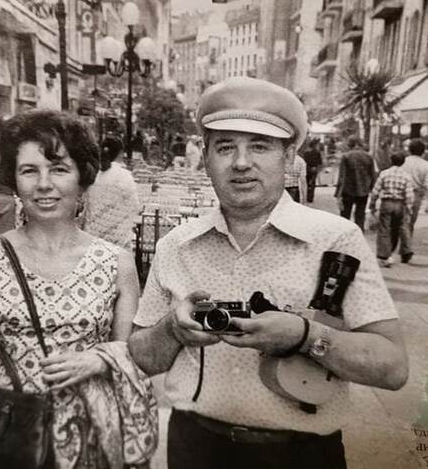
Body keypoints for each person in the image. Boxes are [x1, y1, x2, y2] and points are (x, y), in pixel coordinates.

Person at [127, 77, 408, 469]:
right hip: (195, 448)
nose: (241, 162)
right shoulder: (176, 245)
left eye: (260, 146)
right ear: (205, 157)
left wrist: (305, 336)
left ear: (289, 156)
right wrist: (173, 329)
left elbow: (393, 367)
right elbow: (141, 358)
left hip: (302, 454)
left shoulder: (335, 240)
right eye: (225, 147)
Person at [0, 110, 157, 469]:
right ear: (14, 180)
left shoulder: (116, 262)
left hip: (91, 436)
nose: (44, 184)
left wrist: (99, 358)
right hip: (7, 434)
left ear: (82, 178)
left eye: (59, 169)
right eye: (29, 170)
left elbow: (132, 353)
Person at [82, 135, 141, 250]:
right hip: (117, 240)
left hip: (93, 237)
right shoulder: (125, 176)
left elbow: (86, 204)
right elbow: (135, 206)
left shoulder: (94, 175)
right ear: (120, 153)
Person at [370, 152, 414, 267]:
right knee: (396, 229)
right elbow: (409, 195)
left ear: (391, 161)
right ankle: (391, 252)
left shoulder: (384, 173)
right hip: (399, 205)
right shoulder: (406, 176)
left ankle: (383, 254)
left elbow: (376, 191)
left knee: (384, 229)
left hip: (386, 203)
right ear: (403, 162)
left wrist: (372, 204)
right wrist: (409, 209)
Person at [335, 135, 377, 230]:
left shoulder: (346, 156)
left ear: (350, 144)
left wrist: (338, 194)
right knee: (360, 215)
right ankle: (359, 234)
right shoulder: (368, 157)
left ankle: (344, 233)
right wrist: (373, 190)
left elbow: (342, 177)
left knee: (345, 215)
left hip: (348, 190)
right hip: (363, 190)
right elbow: (372, 175)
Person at [401, 138, 428, 237]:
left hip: (401, 192)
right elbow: (426, 184)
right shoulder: (426, 165)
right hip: (416, 194)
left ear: (409, 149)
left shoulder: (403, 161)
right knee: (411, 220)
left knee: (401, 218)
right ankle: (407, 242)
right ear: (423, 151)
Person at [302, 139, 323, 203]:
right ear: (315, 145)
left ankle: (307, 196)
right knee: (313, 184)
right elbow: (320, 162)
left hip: (307, 169)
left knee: (307, 183)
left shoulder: (306, 153)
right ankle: (310, 198)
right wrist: (317, 168)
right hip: (314, 169)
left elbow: (304, 162)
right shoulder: (317, 153)